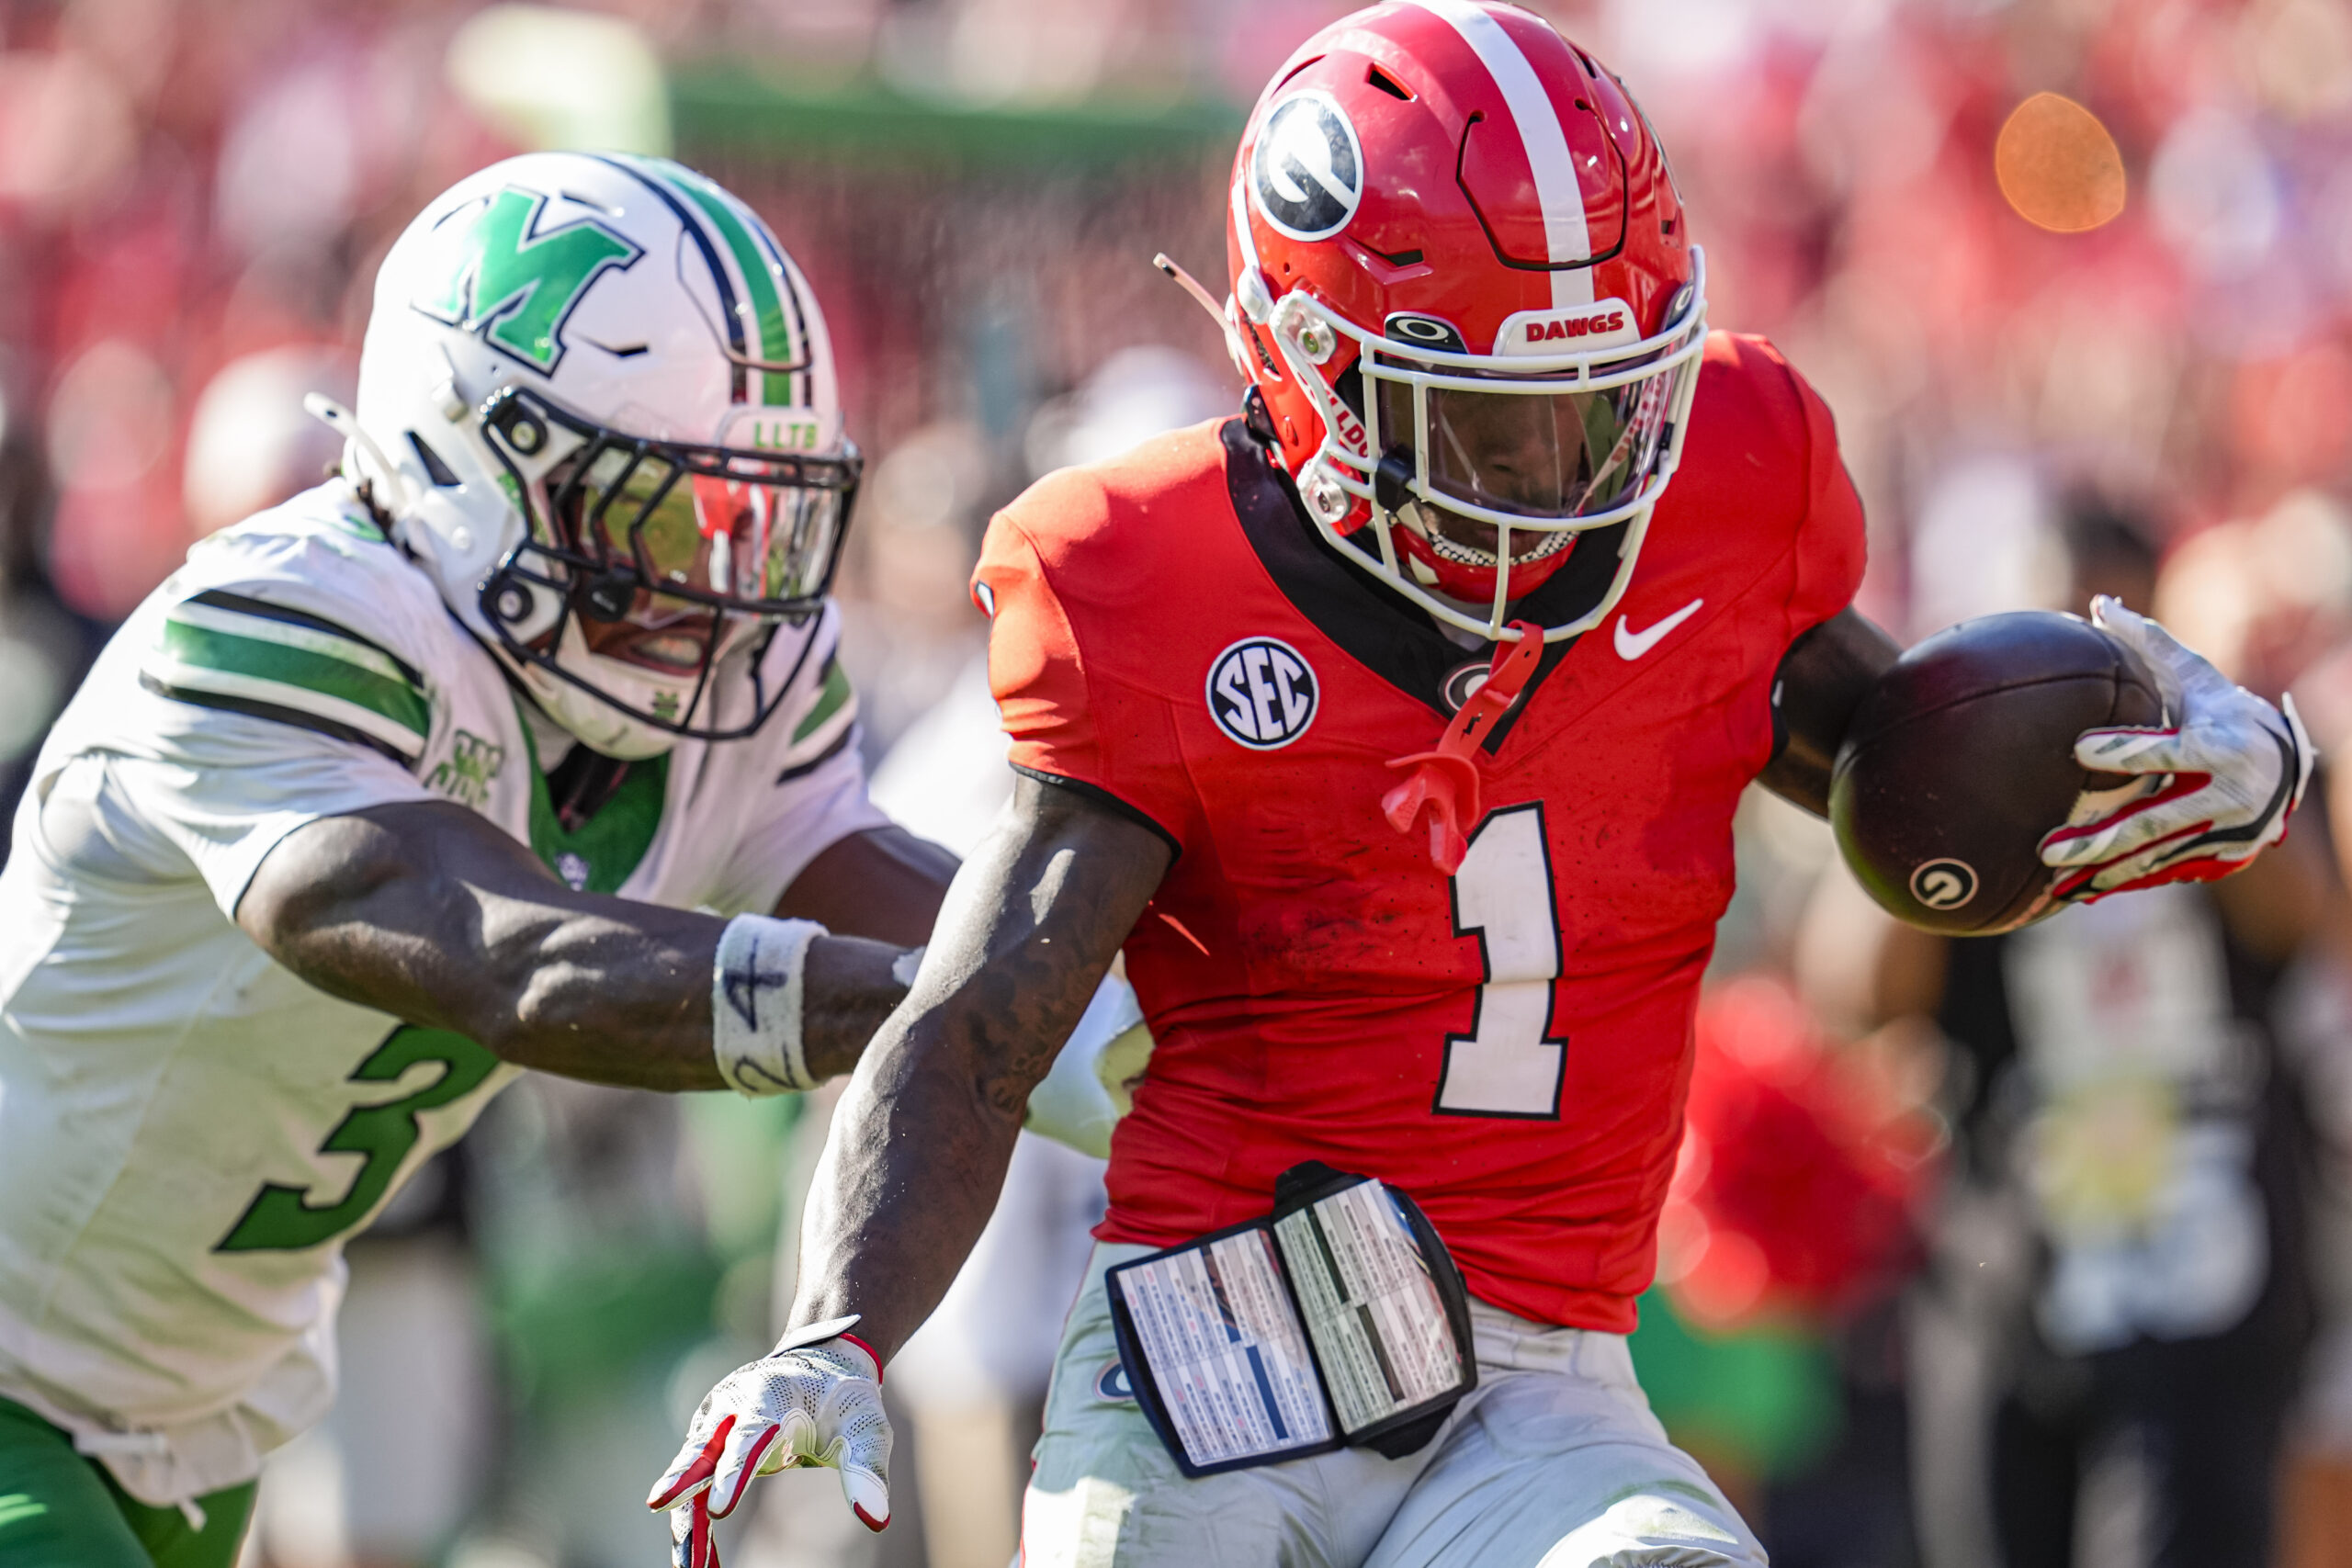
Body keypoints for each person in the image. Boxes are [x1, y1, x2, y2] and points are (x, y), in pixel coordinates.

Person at [651, 7, 2312, 1566]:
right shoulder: (1148, 579)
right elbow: (979, 1018)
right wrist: (837, 1326)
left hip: (1543, 1384)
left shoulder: (1727, 480)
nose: (1564, 482)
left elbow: (1907, 782)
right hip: (1209, 1358)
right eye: (1488, 428)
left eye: (1607, 403)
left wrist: (2202, 770)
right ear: (1304, 369)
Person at [0, 150, 1114, 1568]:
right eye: (648, 517)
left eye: (741, 520)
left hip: (195, 1406)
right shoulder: (273, 626)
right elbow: (493, 947)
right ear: (463, 459)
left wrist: (1151, 1023)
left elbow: (890, 883)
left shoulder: (720, 684)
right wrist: (945, 1011)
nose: (714, 594)